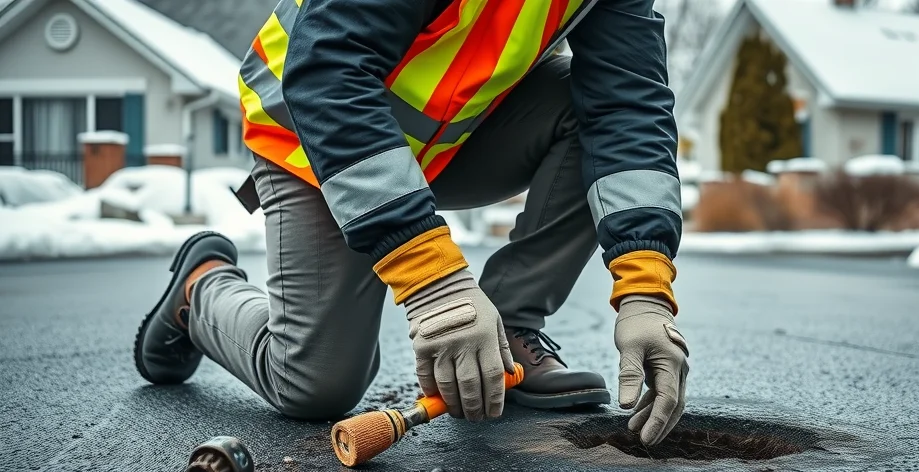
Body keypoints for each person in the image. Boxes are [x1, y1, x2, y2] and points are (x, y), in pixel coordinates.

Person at [134, 0, 690, 446]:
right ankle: (200, 289)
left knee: (586, 106)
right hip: (317, 133)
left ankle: (507, 332)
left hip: (449, 137)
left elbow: (628, 107)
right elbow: (328, 71)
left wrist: (646, 292)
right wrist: (435, 287)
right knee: (314, 384)